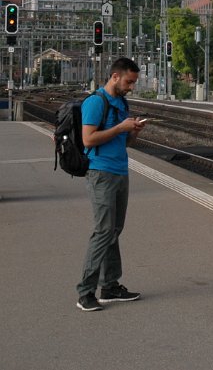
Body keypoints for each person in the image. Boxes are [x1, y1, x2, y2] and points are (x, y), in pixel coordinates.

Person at [75, 57, 149, 312]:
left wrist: (132, 133)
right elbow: (88, 139)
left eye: (134, 82)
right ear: (115, 77)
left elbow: (122, 142)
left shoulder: (121, 102)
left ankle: (110, 285)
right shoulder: (96, 102)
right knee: (103, 231)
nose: (131, 86)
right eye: (129, 81)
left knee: (114, 229)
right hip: (101, 174)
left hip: (120, 171)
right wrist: (119, 128)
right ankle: (85, 291)